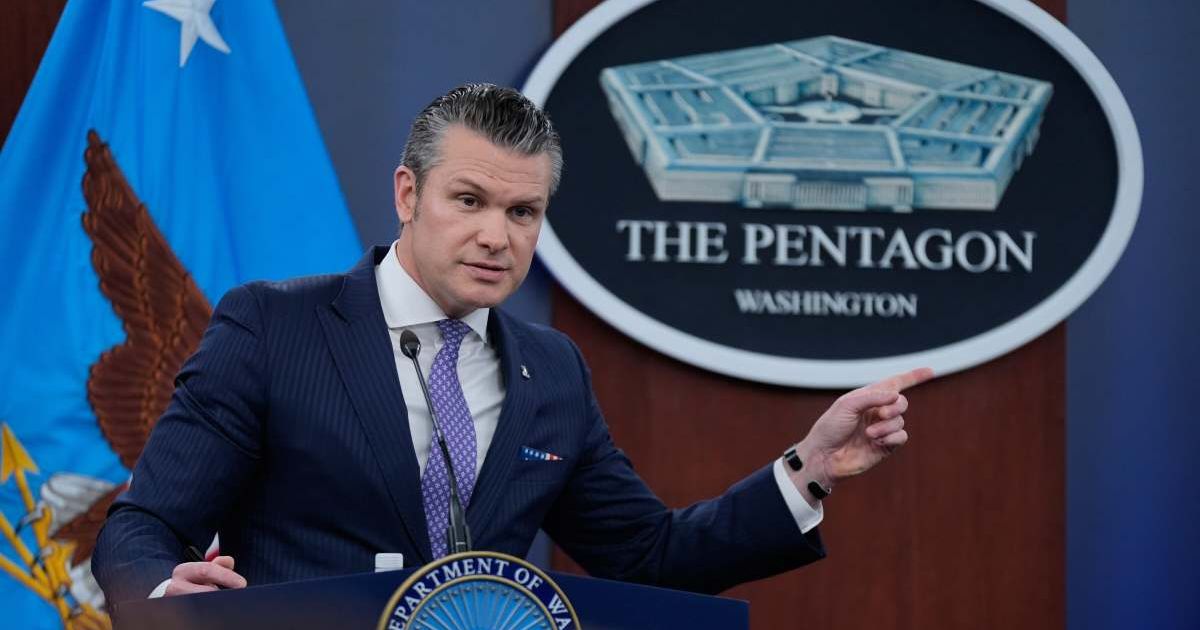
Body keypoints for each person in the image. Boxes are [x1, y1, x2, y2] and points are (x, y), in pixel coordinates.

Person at [92, 83, 932, 604]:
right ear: (408, 194)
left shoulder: (552, 370)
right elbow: (142, 527)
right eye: (469, 201)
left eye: (522, 212)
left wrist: (810, 467)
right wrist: (168, 596)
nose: (497, 235)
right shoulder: (274, 328)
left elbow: (650, 556)